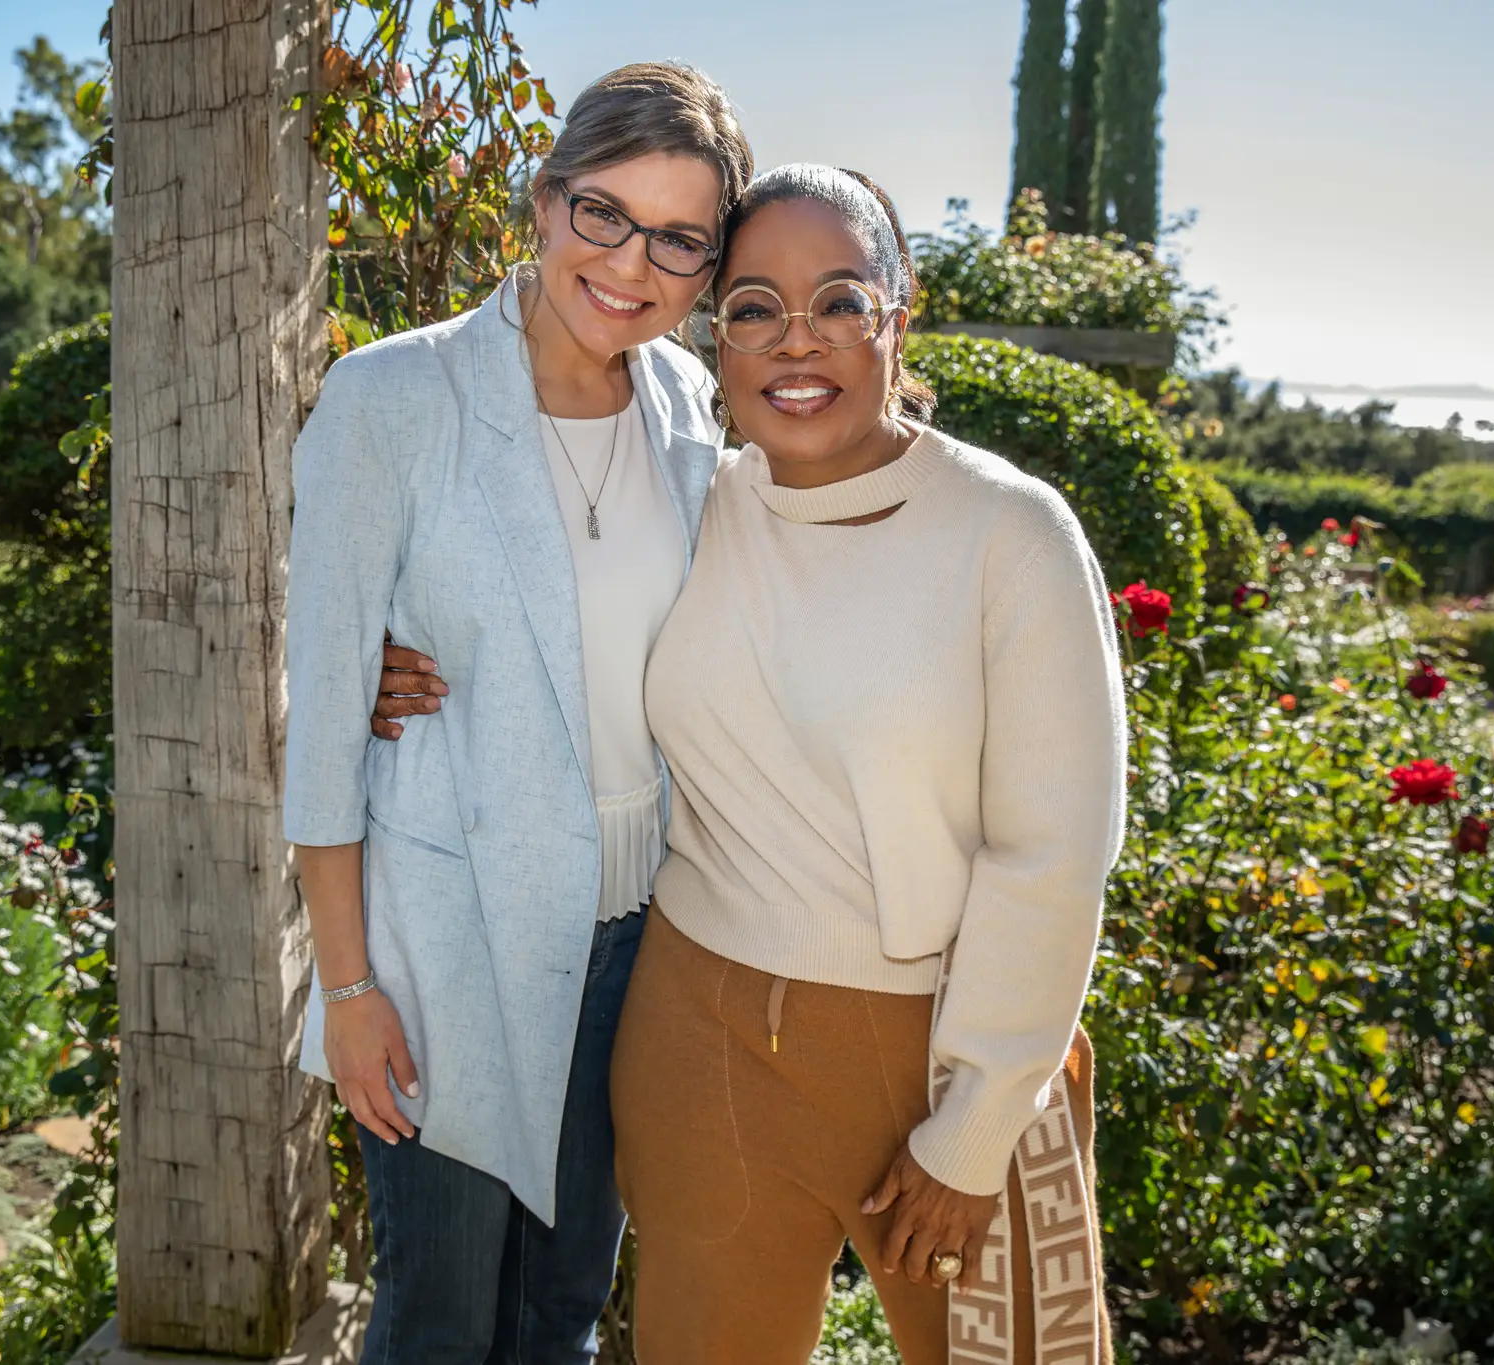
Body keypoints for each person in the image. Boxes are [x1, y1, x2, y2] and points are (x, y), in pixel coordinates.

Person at [610, 165, 1127, 1364]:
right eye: (752, 309)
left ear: (900, 312)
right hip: (697, 1034)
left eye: (838, 300)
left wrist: (976, 1122)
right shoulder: (693, 503)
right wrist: (409, 669)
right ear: (714, 339)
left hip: (937, 1060)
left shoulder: (1010, 534)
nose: (799, 343)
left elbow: (1050, 851)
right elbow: (552, 622)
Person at [280, 63, 752, 1364]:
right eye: (603, 213)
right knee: (440, 1326)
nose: (631, 265)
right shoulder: (396, 399)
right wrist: (351, 983)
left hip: (636, 948)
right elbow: (320, 717)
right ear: (543, 204)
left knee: (558, 1318)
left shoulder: (685, 413)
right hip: (446, 951)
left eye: (677, 240)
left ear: (708, 266)